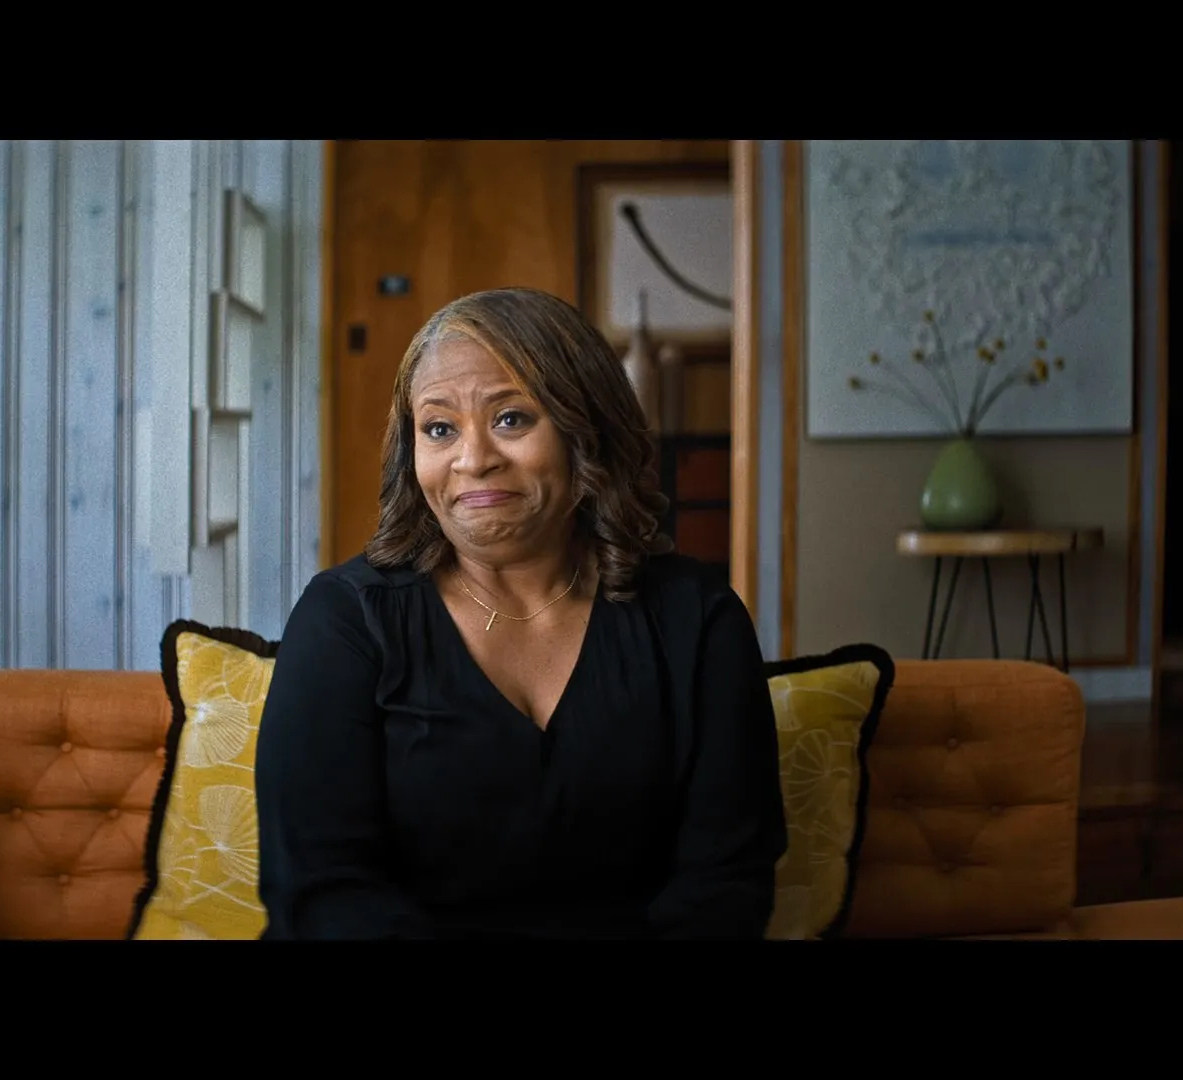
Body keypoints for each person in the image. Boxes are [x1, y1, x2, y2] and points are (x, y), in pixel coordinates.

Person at [254, 287, 786, 939]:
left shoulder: (697, 619)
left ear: (587, 432)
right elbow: (320, 890)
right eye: (440, 428)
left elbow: (727, 881)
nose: (473, 459)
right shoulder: (345, 620)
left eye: (511, 419)